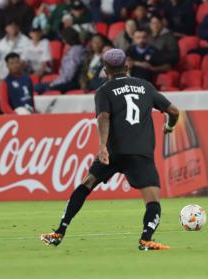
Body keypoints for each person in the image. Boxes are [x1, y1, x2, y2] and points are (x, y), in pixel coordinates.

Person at [41, 48, 180, 250]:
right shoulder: (146, 87)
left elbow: (103, 117)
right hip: (140, 151)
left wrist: (102, 147)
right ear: (127, 66)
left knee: (86, 184)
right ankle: (146, 239)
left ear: (105, 71)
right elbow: (174, 111)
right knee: (152, 198)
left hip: (113, 151)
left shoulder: (103, 91)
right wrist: (169, 126)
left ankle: (59, 232)